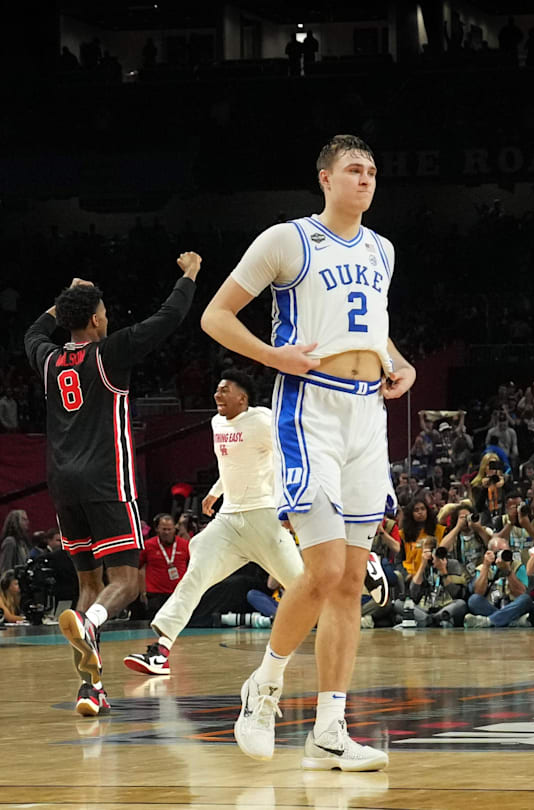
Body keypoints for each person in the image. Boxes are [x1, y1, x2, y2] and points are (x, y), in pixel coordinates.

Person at [203, 135, 415, 770]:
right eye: (354, 170)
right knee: (321, 571)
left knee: (351, 581)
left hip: (366, 416)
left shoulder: (383, 249)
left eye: (373, 171)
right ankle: (263, 687)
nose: (365, 180)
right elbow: (217, 315)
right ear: (325, 178)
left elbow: (371, 325)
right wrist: (274, 356)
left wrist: (396, 361)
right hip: (309, 408)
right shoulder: (286, 240)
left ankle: (329, 729)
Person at [25, 252, 201, 716]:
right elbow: (169, 317)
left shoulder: (48, 360)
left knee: (88, 582)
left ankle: (90, 690)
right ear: (98, 319)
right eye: (103, 312)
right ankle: (91, 622)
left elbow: (34, 334)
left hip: (61, 483)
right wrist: (189, 275)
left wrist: (57, 307)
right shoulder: (110, 352)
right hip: (106, 478)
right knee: (126, 579)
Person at [138, 514, 189, 618]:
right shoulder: (148, 545)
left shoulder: (185, 545)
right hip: (155, 595)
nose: (167, 532)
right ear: (157, 529)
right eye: (164, 529)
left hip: (178, 594)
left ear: (175, 529)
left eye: (169, 529)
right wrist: (142, 591)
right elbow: (138, 567)